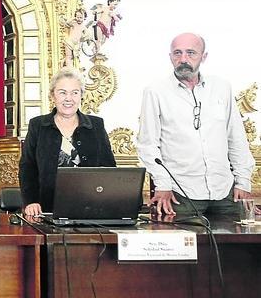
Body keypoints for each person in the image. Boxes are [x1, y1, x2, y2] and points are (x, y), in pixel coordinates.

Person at [138, 33, 255, 216]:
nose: (183, 59)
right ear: (170, 57)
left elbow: (236, 138)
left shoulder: (221, 87)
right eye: (177, 53)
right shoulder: (155, 91)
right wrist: (162, 184)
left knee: (242, 241)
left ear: (203, 56)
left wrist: (243, 182)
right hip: (180, 193)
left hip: (225, 191)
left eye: (190, 53)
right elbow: (148, 145)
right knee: (182, 242)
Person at [19, 67, 116, 216]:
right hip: (46, 209)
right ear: (53, 95)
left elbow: (108, 169)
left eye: (74, 93)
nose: (68, 98)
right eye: (62, 92)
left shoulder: (96, 125)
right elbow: (28, 168)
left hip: (91, 208)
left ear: (81, 95)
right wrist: (31, 201)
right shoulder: (38, 125)